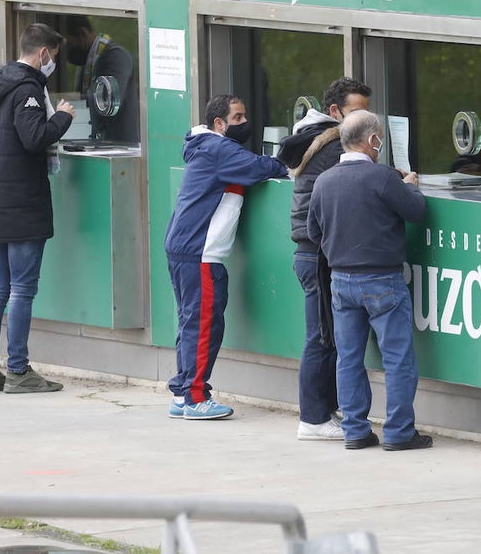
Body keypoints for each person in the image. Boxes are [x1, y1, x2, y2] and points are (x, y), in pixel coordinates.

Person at [307, 110, 433, 451]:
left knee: (348, 357)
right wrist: (411, 187)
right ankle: (399, 432)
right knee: (397, 358)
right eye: (380, 140)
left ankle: (355, 430)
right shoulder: (383, 177)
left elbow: (313, 232)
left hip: (340, 281)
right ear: (373, 139)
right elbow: (417, 211)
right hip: (382, 279)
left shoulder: (324, 181)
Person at [163, 94, 288, 420]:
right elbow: (263, 167)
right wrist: (288, 160)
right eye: (237, 118)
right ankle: (195, 398)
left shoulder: (206, 146)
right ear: (219, 123)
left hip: (184, 248)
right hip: (200, 253)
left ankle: (182, 393)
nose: (245, 123)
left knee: (191, 322)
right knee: (203, 325)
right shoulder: (220, 149)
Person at [0, 23, 75, 394]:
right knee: (22, 290)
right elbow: (34, 138)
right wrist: (62, 116)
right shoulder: (28, 90)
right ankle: (17, 370)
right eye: (53, 57)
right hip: (23, 204)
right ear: (43, 53)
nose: (53, 64)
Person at [276, 77, 371, 441]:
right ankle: (313, 419)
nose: (364, 120)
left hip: (313, 251)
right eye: (356, 112)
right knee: (320, 336)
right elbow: (356, 182)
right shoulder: (333, 146)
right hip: (317, 253)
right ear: (335, 111)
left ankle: (324, 412)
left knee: (326, 334)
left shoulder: (316, 137)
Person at [64, 14, 139, 142]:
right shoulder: (87, 63)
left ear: (83, 34)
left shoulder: (115, 56)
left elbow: (109, 100)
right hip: (96, 139)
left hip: (118, 143)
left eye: (69, 44)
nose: (66, 52)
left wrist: (69, 100)